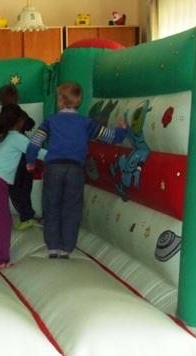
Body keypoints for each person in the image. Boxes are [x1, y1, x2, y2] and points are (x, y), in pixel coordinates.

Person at [26, 81, 127, 259]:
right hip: (74, 169)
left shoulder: (51, 121)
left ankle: (53, 247)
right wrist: (122, 131)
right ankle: (66, 248)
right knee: (72, 207)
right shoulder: (85, 122)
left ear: (60, 102)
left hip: (54, 168)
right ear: (78, 102)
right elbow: (109, 136)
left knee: (51, 205)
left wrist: (30, 161)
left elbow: (35, 142)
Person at [0, 104, 46, 269]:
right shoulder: (17, 138)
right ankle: (0, 260)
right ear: (20, 121)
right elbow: (36, 152)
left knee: (1, 219)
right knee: (4, 221)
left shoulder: (0, 137)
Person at [0, 85, 37, 231]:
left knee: (13, 188)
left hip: (12, 161)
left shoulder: (0, 118)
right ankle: (27, 215)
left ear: (0, 102)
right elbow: (31, 124)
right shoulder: (22, 115)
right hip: (26, 157)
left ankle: (27, 215)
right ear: (18, 101)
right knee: (25, 187)